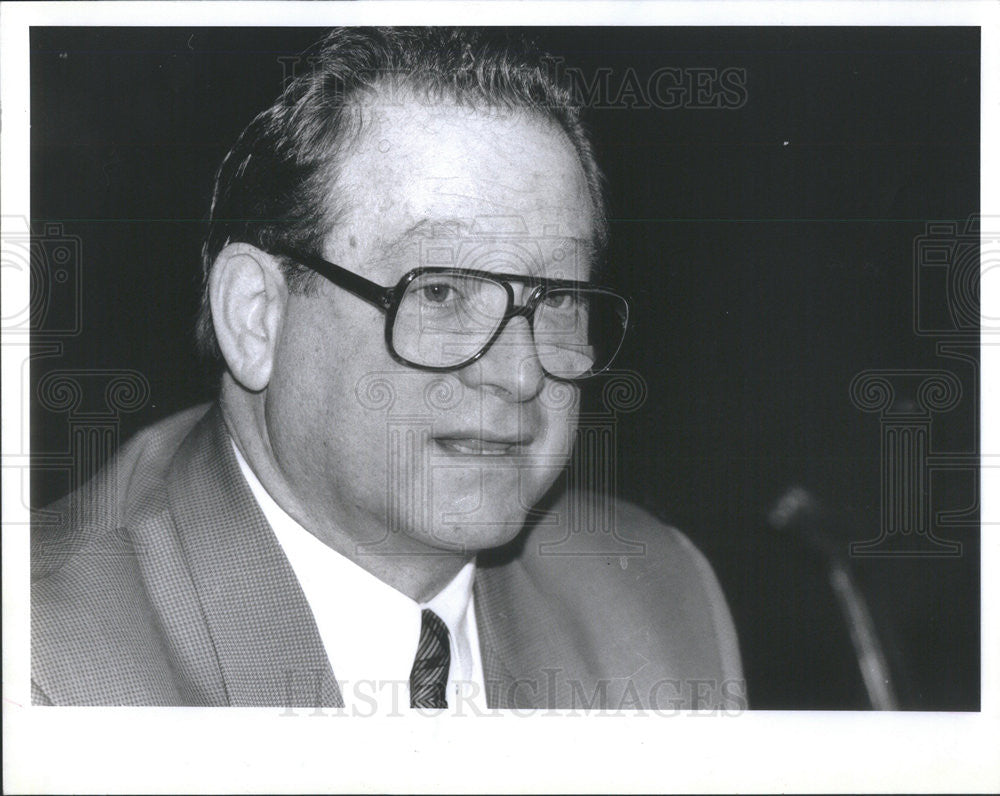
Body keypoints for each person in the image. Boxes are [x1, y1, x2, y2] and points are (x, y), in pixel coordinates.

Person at [31, 27, 745, 710]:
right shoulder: (45, 665)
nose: (520, 374)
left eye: (557, 299)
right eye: (440, 292)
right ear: (257, 317)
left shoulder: (660, 607)